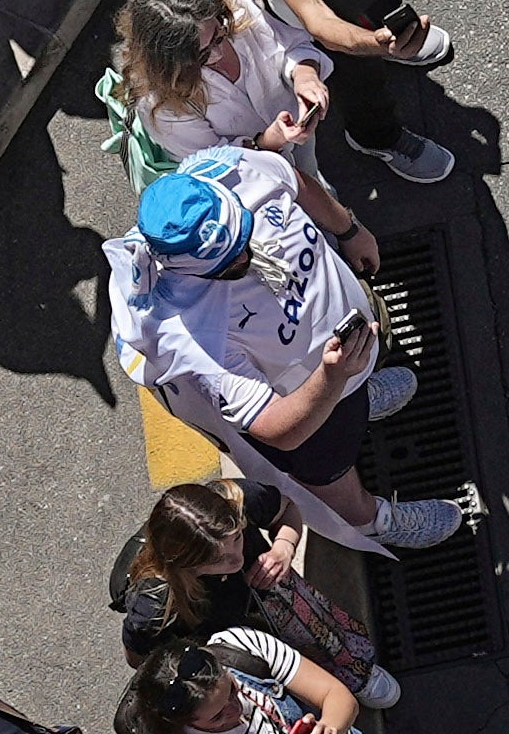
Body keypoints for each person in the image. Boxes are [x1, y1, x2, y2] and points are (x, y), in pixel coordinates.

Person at [114, 153, 470, 554]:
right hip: (306, 412)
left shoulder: (230, 169)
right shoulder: (184, 332)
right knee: (328, 472)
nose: (245, 258)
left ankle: (360, 399)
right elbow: (277, 431)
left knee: (353, 394)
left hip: (345, 366)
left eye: (243, 238)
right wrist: (331, 380)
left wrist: (349, 229)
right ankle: (371, 522)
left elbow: (297, 183)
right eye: (228, 265)